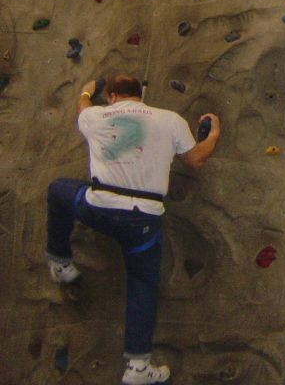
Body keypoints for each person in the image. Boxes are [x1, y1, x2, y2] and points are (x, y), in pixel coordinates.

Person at [45, 75, 221, 384]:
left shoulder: (95, 115)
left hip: (98, 207)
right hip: (142, 220)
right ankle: (137, 366)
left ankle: (60, 262)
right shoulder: (171, 120)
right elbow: (196, 160)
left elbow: (81, 105)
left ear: (112, 96)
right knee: (142, 284)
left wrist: (87, 90)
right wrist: (214, 132)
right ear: (140, 95)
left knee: (58, 191)